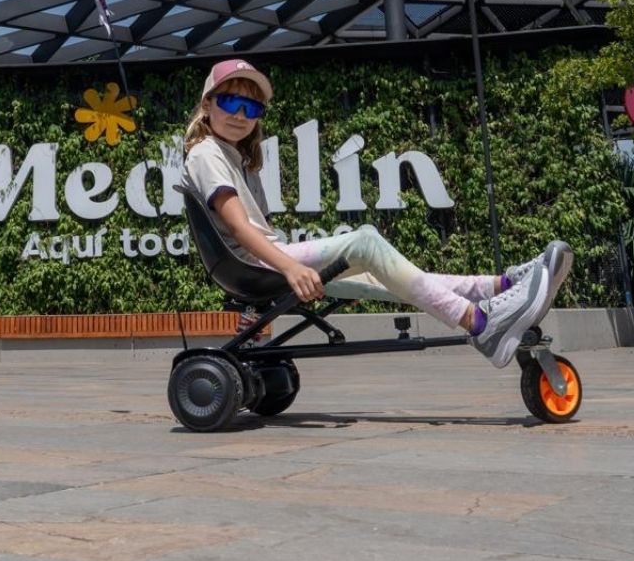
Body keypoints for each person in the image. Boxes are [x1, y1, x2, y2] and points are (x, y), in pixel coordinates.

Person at [182, 58, 572, 368]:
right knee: (365, 241)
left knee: (384, 276)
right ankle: (480, 324)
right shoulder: (206, 153)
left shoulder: (240, 159)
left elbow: (257, 227)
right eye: (231, 101)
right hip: (251, 265)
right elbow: (236, 225)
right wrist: (290, 268)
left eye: (251, 106)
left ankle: (502, 286)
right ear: (207, 104)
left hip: (259, 260)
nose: (241, 114)